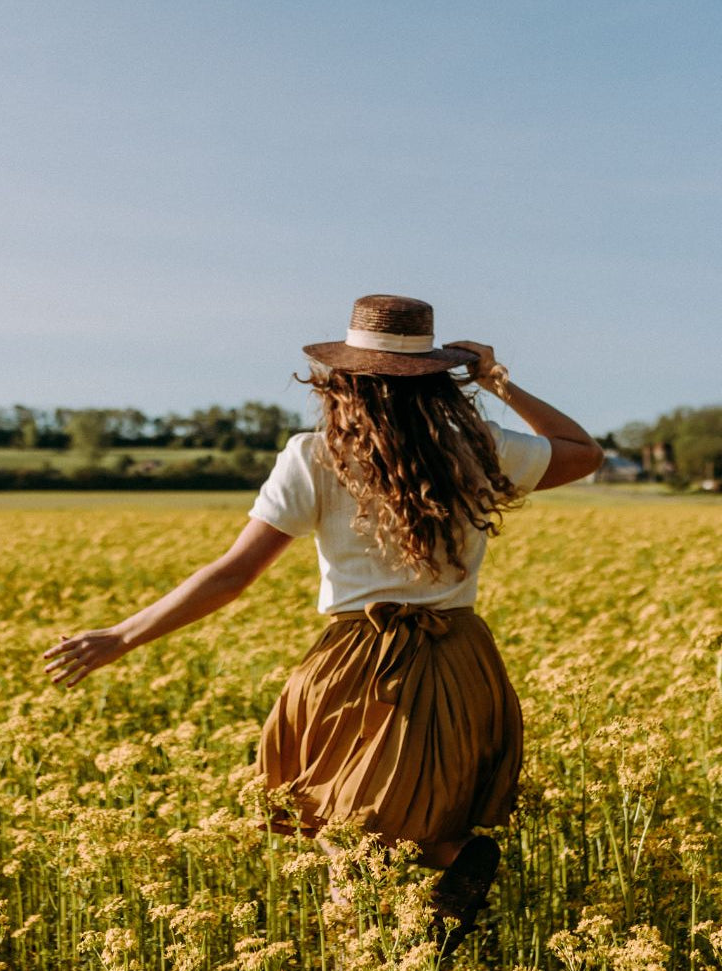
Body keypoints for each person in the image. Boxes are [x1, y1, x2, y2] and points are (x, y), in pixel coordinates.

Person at [43, 294, 603, 954]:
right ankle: (449, 872)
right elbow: (582, 451)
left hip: (356, 668)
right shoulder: (479, 447)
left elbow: (232, 573)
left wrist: (121, 635)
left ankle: (387, 932)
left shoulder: (314, 455)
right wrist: (496, 380)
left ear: (343, 379)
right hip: (458, 660)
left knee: (345, 832)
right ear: (437, 379)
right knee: (426, 810)